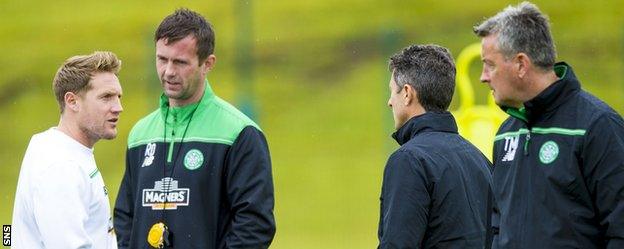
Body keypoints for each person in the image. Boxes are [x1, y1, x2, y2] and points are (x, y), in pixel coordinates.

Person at [114, 9, 275, 249]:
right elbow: (125, 216)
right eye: (162, 59)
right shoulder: (140, 133)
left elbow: (254, 224)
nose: (168, 72)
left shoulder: (239, 133)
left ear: (207, 63)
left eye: (180, 62)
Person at [474, 2, 624, 248]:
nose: (483, 76)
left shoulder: (598, 126)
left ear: (521, 64)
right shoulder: (506, 134)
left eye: (490, 64)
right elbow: (497, 224)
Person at [377, 44, 494, 248]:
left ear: (407, 93)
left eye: (392, 92)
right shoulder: (480, 159)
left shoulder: (409, 161)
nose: (389, 102)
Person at [11, 51, 123, 248]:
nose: (118, 107)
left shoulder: (63, 150)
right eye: (106, 97)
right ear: (72, 101)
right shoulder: (61, 166)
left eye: (118, 97)